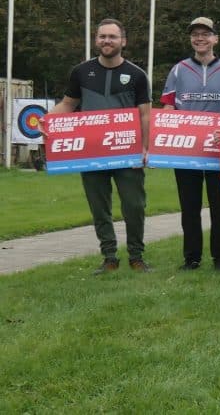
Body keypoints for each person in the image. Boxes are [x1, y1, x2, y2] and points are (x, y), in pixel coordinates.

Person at [45, 18, 152, 274]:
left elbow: (145, 115)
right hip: (91, 153)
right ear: (96, 40)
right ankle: (109, 257)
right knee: (99, 206)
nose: (107, 41)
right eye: (102, 36)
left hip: (127, 152)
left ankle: (136, 256)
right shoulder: (81, 72)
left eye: (112, 37)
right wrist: (47, 123)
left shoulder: (137, 75)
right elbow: (68, 104)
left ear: (123, 41)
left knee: (134, 205)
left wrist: (146, 148)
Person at [160, 17, 220, 271]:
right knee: (189, 208)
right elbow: (169, 106)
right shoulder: (179, 69)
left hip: (219, 150)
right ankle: (191, 258)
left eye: (205, 34)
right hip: (186, 151)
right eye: (195, 34)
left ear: (215, 38)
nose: (200, 38)